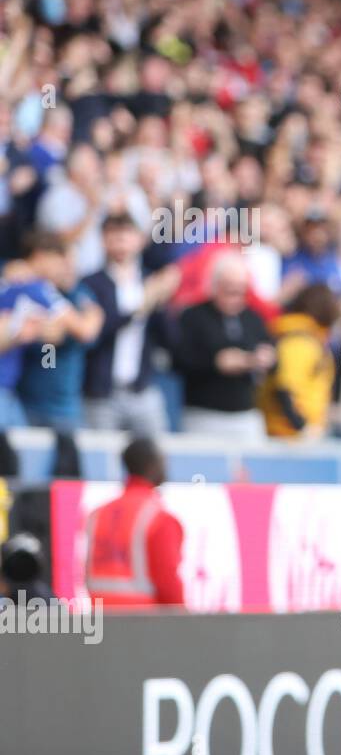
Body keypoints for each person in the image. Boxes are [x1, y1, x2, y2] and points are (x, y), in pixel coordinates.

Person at [81, 212, 178, 436]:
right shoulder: (91, 283)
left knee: (155, 460)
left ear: (140, 240)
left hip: (142, 390)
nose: (120, 244)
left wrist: (162, 304)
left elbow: (171, 339)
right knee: (102, 464)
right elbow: (96, 333)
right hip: (101, 394)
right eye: (113, 237)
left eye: (126, 236)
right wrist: (139, 308)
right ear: (103, 241)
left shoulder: (149, 280)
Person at [172, 253, 274, 440]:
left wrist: (265, 359)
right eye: (229, 290)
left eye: (241, 291)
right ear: (215, 286)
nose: (235, 297)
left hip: (244, 412)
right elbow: (178, 360)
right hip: (204, 413)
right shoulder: (193, 316)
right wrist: (215, 362)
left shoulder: (253, 318)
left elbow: (271, 353)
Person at [14, 232, 103, 430]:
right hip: (25, 401)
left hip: (64, 406)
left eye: (71, 261)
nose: (67, 267)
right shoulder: (28, 288)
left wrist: (64, 332)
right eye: (62, 260)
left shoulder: (80, 294)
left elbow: (89, 333)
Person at [84, 437, 184, 608]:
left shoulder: (98, 514)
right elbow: (168, 585)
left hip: (101, 622)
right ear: (152, 466)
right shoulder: (159, 518)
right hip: (145, 624)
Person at [258, 284, 339, 438]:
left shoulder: (315, 339)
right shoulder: (299, 341)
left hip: (297, 432)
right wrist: (302, 427)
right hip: (288, 435)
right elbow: (285, 387)